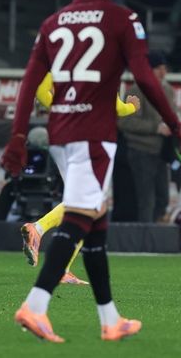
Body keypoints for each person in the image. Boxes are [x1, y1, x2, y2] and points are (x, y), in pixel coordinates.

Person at [1, 0, 181, 342]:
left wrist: (17, 136)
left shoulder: (53, 23)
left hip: (61, 132)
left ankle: (110, 319)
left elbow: (29, 84)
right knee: (80, 218)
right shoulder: (122, 18)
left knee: (96, 220)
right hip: (93, 135)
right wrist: (175, 123)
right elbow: (145, 76)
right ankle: (35, 306)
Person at [21, 76, 141, 285]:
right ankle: (38, 229)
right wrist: (132, 107)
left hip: (60, 136)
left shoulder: (63, 61)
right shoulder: (101, 67)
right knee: (87, 204)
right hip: (85, 141)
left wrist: (59, 108)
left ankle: (62, 268)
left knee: (85, 208)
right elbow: (118, 108)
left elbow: (40, 91)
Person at [118, 51, 177, 223]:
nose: (163, 72)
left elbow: (173, 116)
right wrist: (156, 128)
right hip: (141, 151)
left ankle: (155, 232)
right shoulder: (136, 91)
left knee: (163, 198)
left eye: (164, 68)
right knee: (146, 200)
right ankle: (145, 235)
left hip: (162, 152)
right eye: (158, 68)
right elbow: (125, 122)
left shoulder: (168, 90)